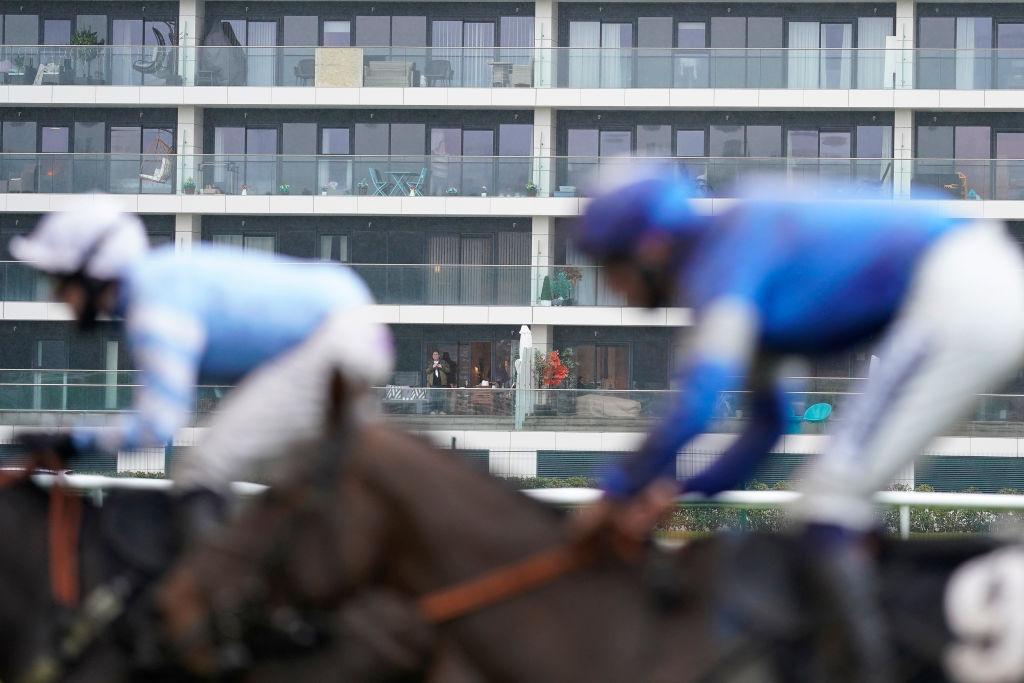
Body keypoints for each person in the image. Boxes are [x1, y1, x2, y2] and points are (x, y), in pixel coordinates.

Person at [571, 174, 1024, 680]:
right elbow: (770, 425)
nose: (612, 288)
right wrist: (680, 489)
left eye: (609, 268)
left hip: (961, 289)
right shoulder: (739, 265)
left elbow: (700, 406)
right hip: (969, 280)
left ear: (650, 248)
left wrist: (614, 490)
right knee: (828, 502)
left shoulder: (722, 265)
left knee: (830, 498)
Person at [11, 199, 394, 540]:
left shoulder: (154, 307)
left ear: (93, 273)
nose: (54, 296)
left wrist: (73, 442)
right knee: (308, 487)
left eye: (59, 282)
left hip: (333, 341)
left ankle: (212, 610)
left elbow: (157, 425)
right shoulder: (159, 279)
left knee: (200, 469)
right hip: (350, 329)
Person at [425, 350, 449, 414]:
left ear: (439, 356)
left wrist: (442, 367)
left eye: (436, 354)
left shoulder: (443, 362)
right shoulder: (429, 363)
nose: (435, 355)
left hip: (442, 383)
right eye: (434, 354)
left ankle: (441, 410)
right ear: (432, 356)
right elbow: (427, 371)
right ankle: (433, 410)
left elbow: (448, 370)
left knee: (441, 398)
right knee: (433, 398)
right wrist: (432, 367)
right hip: (433, 384)